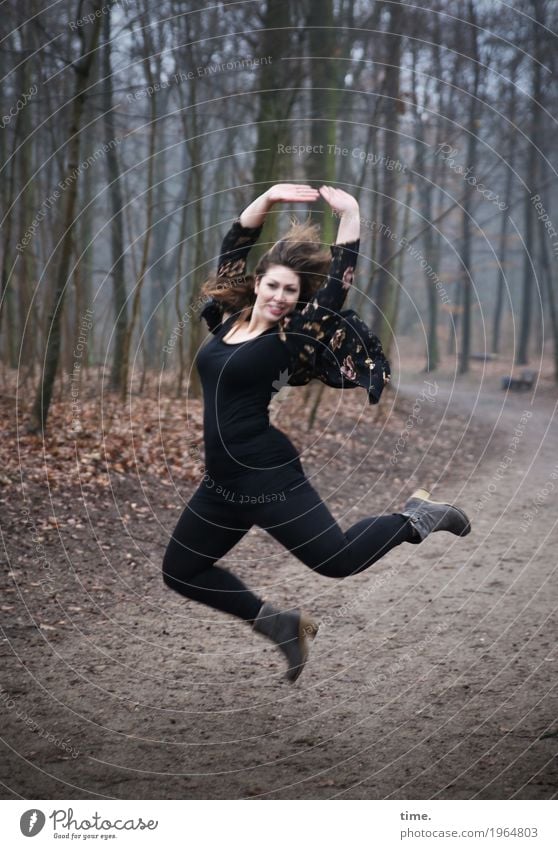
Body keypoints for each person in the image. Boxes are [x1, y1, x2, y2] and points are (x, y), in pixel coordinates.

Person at [162, 184, 471, 682]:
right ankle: (282, 626)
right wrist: (267, 199)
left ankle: (415, 518)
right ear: (258, 281)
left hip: (267, 475)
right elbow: (233, 247)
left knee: (337, 560)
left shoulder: (296, 334)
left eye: (291, 291)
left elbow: (336, 288)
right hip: (221, 484)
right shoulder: (227, 318)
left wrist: (350, 215)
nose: (281, 297)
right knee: (181, 571)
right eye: (274, 286)